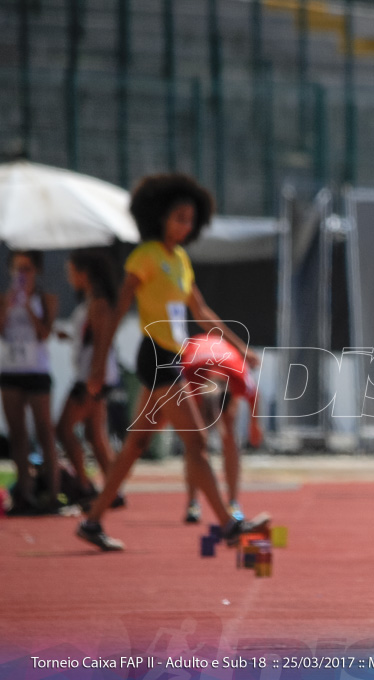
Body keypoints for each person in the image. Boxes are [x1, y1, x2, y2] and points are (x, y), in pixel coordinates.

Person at [75, 173, 264, 551]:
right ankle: (228, 525)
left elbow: (202, 311)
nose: (185, 224)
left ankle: (93, 520)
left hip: (173, 358)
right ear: (159, 216)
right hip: (157, 358)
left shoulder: (179, 259)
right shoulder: (144, 256)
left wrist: (241, 348)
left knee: (136, 445)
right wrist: (99, 362)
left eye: (190, 219)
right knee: (197, 444)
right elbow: (118, 309)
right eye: (179, 216)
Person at [55, 248, 122, 506]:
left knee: (63, 428)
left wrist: (97, 374)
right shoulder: (92, 301)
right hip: (93, 374)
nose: (69, 276)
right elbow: (92, 340)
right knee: (95, 435)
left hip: (92, 378)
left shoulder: (99, 302)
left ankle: (84, 484)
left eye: (71, 271)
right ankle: (112, 490)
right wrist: (71, 339)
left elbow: (103, 341)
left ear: (85, 273)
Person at [176, 330, 262, 524]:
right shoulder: (187, 374)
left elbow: (255, 397)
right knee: (195, 442)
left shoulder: (239, 378)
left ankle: (233, 502)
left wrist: (255, 426)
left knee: (229, 436)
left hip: (223, 364)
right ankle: (192, 502)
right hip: (197, 363)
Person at [0, 250, 61, 514]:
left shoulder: (46, 298)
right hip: (11, 371)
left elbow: (45, 333)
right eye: (17, 269)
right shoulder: (5, 299)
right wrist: (8, 306)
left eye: (27, 269)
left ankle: (53, 493)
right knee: (18, 434)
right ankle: (24, 492)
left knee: (45, 432)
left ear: (36, 271)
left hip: (37, 370)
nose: (21, 275)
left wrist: (27, 308)